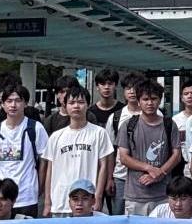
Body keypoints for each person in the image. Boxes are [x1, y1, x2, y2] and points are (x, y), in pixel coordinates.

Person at [40, 88, 114, 216]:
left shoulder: (99, 133)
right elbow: (50, 170)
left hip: (87, 203)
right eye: (71, 102)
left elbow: (103, 166)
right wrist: (47, 202)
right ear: (65, 105)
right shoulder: (56, 137)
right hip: (60, 202)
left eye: (81, 102)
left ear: (88, 105)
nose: (76, 106)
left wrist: (98, 197)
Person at [116, 79, 181, 216]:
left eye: (154, 98)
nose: (150, 103)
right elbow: (124, 158)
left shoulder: (169, 124)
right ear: (139, 101)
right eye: (145, 99)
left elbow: (177, 155)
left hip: (163, 195)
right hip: (135, 195)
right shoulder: (128, 125)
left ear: (160, 100)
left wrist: (160, 173)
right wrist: (150, 168)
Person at [0, 84, 49, 217]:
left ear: (25, 103)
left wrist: (39, 188)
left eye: (18, 100)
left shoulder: (36, 128)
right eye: (9, 101)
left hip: (27, 196)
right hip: (0, 198)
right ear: (2, 104)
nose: (13, 105)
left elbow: (44, 161)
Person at [105, 73, 148, 215]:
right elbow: (110, 151)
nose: (132, 91)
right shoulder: (115, 117)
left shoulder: (156, 115)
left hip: (145, 176)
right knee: (118, 215)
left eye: (135, 88)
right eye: (128, 88)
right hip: (121, 176)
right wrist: (109, 178)